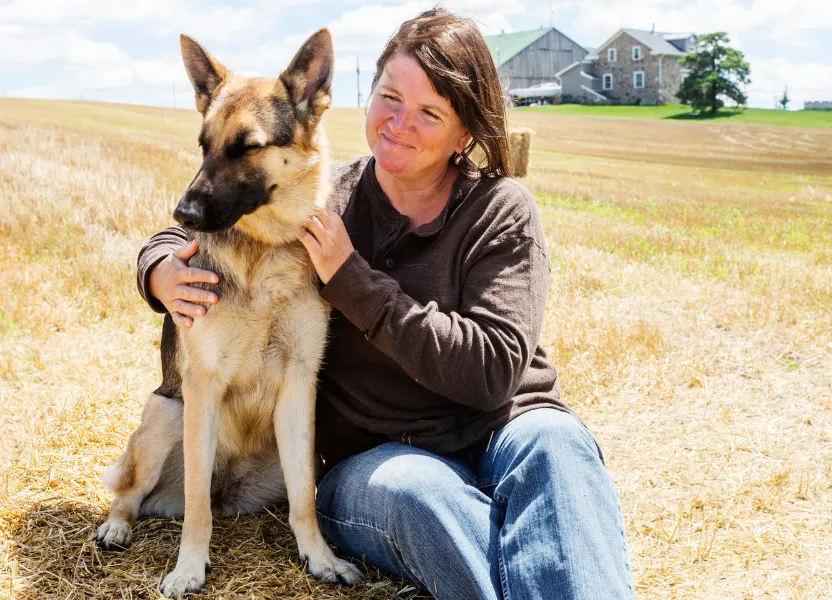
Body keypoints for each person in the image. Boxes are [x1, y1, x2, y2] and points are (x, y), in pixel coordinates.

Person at [135, 8, 633, 599]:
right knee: (420, 497)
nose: (399, 124)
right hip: (381, 459)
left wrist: (353, 279)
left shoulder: (501, 211)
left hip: (505, 428)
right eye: (389, 97)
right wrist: (158, 268)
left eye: (430, 112)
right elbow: (211, 224)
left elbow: (493, 372)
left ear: (467, 132)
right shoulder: (324, 198)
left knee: (559, 449)